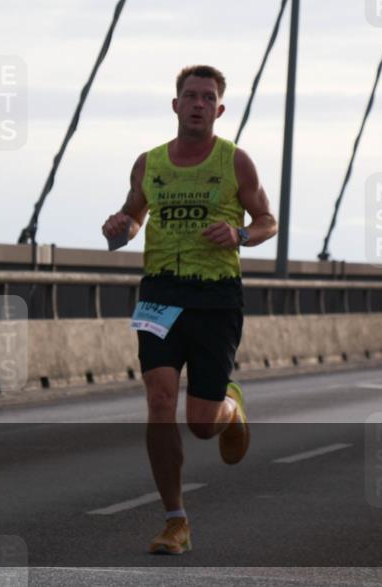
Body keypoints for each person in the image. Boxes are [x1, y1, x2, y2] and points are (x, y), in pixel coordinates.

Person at [101, 65, 278, 555]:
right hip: (160, 293)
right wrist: (119, 228)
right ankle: (175, 519)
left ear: (218, 110)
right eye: (190, 96)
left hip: (216, 297)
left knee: (202, 423)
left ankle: (230, 406)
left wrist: (241, 234)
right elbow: (132, 219)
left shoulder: (235, 162)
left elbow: (268, 220)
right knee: (159, 401)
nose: (198, 104)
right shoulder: (149, 163)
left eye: (208, 98)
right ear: (175, 105)